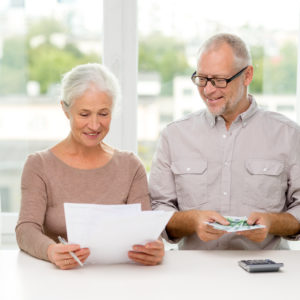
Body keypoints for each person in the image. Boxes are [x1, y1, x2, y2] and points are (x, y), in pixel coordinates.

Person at [149, 33, 300, 250]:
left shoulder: (288, 135)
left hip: (265, 275)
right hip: (193, 275)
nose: (208, 90)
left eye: (219, 80)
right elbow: (157, 210)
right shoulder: (173, 136)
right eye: (202, 79)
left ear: (247, 75)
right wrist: (192, 220)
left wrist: (272, 223)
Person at [16, 63, 164, 269]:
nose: (94, 125)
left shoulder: (130, 166)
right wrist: (50, 251)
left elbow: (147, 233)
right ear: (65, 110)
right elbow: (26, 230)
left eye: (103, 114)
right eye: (84, 114)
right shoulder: (39, 165)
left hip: (120, 281)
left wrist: (155, 248)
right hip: (57, 281)